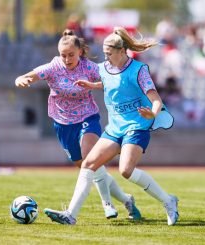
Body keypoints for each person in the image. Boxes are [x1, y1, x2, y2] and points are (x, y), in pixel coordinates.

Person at [44, 27, 179, 226]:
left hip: (137, 126)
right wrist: (93, 85)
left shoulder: (139, 70)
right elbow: (109, 81)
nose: (105, 57)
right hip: (115, 128)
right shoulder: (104, 68)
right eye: (104, 53)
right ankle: (70, 215)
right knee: (89, 164)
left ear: (122, 51)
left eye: (109, 53)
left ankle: (169, 201)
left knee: (126, 170)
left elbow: (156, 99)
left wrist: (153, 112)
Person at [15, 29, 141, 220]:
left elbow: (111, 77)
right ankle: (126, 200)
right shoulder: (53, 67)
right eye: (63, 55)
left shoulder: (89, 68)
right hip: (63, 124)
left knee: (90, 158)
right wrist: (22, 79)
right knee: (89, 166)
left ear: (80, 52)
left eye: (71, 55)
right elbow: (28, 76)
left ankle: (106, 204)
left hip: (87, 118)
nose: (67, 59)